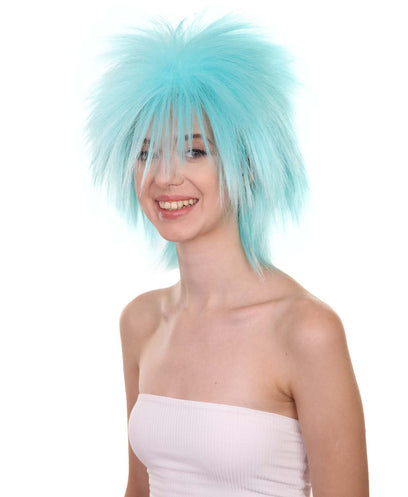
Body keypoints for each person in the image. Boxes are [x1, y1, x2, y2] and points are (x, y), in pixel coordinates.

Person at [84, 11, 369, 497]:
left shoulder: (304, 330)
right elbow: (140, 487)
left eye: (194, 151)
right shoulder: (142, 321)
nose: (164, 177)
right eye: (146, 152)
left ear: (249, 165)